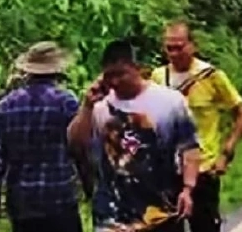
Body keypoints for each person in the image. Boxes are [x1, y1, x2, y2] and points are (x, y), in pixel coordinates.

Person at [69, 39, 201, 232]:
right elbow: (75, 144)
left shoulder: (170, 102)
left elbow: (189, 148)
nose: (115, 82)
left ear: (137, 68)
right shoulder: (99, 107)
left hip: (161, 213)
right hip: (112, 218)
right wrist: (87, 106)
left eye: (121, 74)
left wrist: (188, 189)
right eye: (109, 76)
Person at [151, 23, 242, 232]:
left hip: (204, 168)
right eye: (170, 48)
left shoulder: (211, 76)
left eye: (180, 47)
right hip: (168, 169)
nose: (175, 53)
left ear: (192, 46)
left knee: (204, 226)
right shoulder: (158, 77)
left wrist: (226, 152)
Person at [0, 42, 86, 232]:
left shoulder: (7, 105)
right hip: (59, 199)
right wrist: (89, 186)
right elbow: (80, 147)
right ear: (57, 71)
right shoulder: (66, 102)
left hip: (22, 202)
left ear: (28, 71)